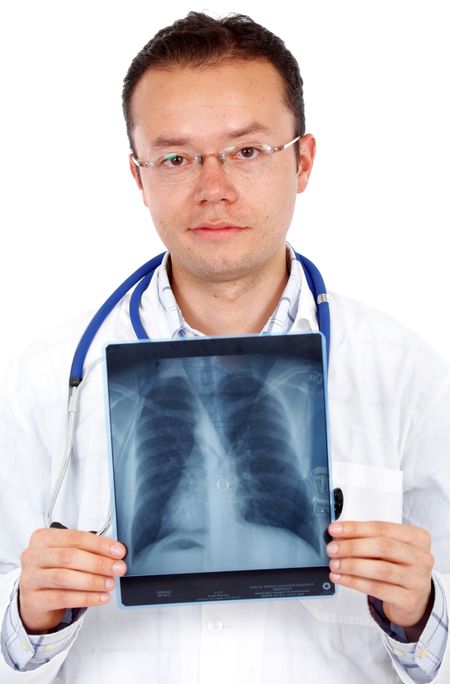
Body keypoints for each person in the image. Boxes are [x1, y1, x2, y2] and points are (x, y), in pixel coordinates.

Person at [0, 10, 449, 683]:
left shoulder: (405, 372)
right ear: (138, 176)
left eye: (247, 150)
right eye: (176, 157)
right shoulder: (45, 383)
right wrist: (28, 615)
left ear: (302, 160)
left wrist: (422, 610)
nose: (213, 188)